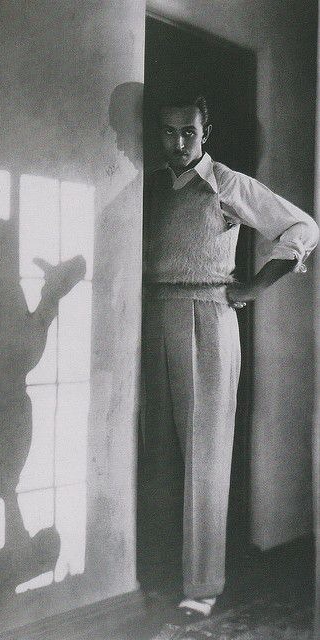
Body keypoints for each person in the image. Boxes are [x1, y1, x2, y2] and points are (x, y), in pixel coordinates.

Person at [143, 94, 319, 618]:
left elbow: (302, 227)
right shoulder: (152, 185)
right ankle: (159, 571)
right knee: (158, 450)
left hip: (208, 317)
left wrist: (254, 287)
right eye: (169, 132)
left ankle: (203, 586)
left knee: (205, 456)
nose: (178, 142)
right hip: (154, 315)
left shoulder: (227, 183)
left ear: (206, 132)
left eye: (188, 132)